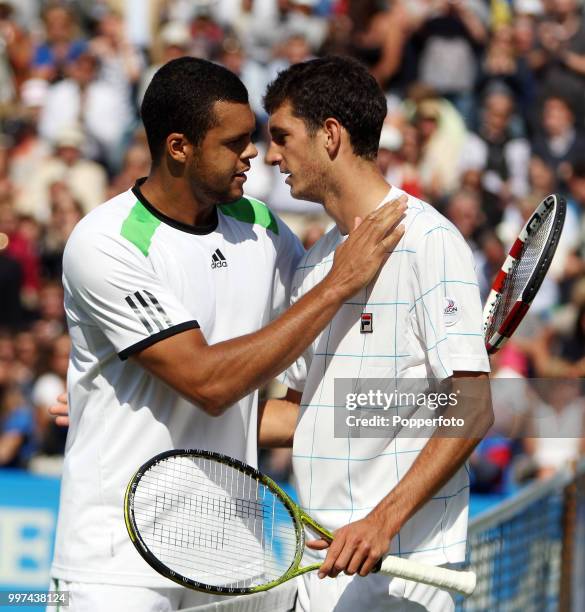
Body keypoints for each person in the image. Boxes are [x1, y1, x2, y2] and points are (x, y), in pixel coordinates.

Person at [50, 56, 405, 612]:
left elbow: (302, 363)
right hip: (117, 565)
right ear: (178, 147)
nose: (255, 154)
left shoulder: (262, 226)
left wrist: (422, 399)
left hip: (237, 558)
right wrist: (337, 284)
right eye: (234, 142)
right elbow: (209, 383)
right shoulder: (105, 243)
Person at [261, 56, 493, 612]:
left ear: (331, 135)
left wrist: (381, 522)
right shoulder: (315, 263)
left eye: (282, 136)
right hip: (323, 563)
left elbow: (475, 405)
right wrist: (143, 406)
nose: (271, 155)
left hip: (402, 570)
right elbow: (299, 415)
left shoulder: (429, 240)